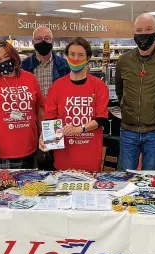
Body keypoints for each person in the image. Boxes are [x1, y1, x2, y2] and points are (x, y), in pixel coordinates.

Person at [115, 14, 155, 171]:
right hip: (128, 130)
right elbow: (119, 91)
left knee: (151, 178)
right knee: (125, 176)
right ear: (134, 33)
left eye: (148, 29)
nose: (143, 34)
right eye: (139, 30)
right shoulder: (124, 61)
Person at [39, 37, 109, 172]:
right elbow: (51, 118)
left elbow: (101, 119)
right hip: (64, 155)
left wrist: (80, 128)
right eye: (72, 54)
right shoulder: (57, 86)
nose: (75, 58)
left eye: (80, 55)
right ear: (66, 56)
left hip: (89, 155)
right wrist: (45, 138)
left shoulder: (99, 86)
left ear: (88, 58)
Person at [0, 40, 44, 169]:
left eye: (6, 56)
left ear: (14, 55)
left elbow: (40, 108)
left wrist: (43, 134)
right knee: (5, 188)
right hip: (2, 152)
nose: (3, 61)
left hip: (30, 147)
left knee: (32, 187)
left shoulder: (30, 78)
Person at [21, 26, 70, 170]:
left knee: (54, 160)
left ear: (53, 41)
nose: (43, 42)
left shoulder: (63, 65)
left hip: (55, 121)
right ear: (32, 42)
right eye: (39, 39)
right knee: (35, 161)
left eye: (47, 39)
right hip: (32, 120)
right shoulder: (23, 66)